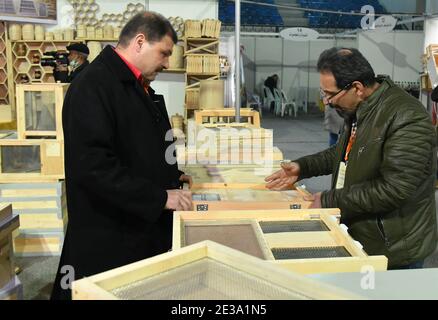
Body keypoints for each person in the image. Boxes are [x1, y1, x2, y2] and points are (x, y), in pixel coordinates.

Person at [51, 12, 193, 300]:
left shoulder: (132, 84)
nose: (167, 63)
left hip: (135, 231)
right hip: (109, 239)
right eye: (164, 53)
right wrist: (160, 197)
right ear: (140, 42)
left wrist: (171, 177)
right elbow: (93, 168)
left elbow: (135, 146)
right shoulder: (93, 86)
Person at [265, 47, 437, 270]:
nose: (326, 101)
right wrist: (302, 167)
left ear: (356, 87)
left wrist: (329, 200)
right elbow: (343, 153)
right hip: (362, 232)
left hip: (393, 249)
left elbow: (395, 189)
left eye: (330, 94)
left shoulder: (406, 117)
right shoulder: (361, 108)